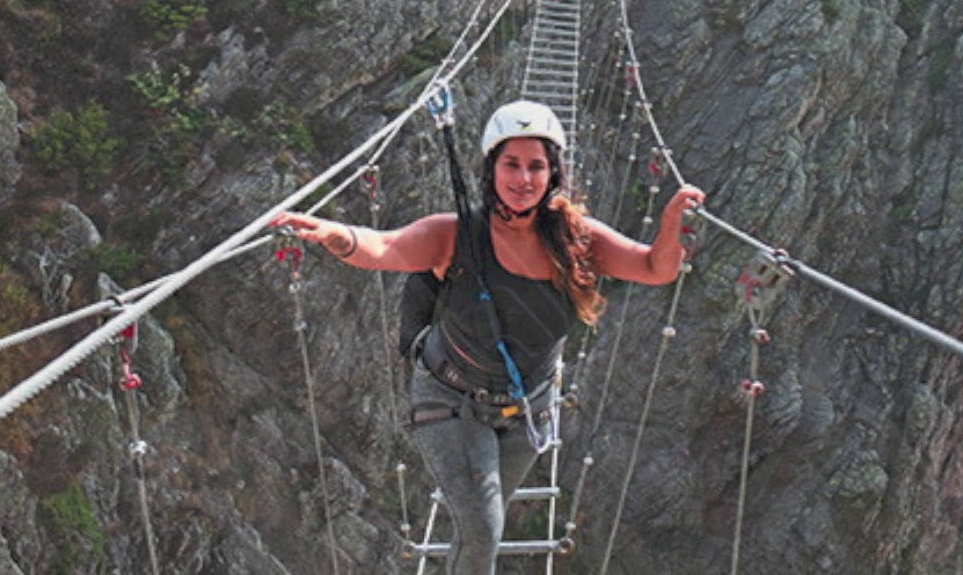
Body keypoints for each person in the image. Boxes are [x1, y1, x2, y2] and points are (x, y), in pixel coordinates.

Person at [270, 99, 704, 574]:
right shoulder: (455, 235)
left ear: (553, 173)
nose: (523, 179)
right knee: (483, 530)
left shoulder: (576, 239)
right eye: (511, 164)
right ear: (490, 170)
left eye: (536, 166)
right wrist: (338, 235)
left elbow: (652, 268)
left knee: (481, 529)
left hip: (527, 409)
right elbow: (385, 248)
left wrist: (672, 227)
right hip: (451, 398)